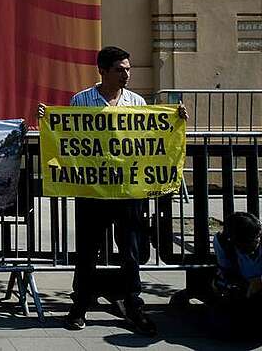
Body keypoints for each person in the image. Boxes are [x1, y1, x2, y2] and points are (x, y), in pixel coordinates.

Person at [39, 46, 187, 336]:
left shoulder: (136, 101)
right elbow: (68, 138)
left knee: (130, 252)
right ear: (103, 71)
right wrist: (47, 118)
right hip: (93, 192)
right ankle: (80, 305)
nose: (126, 74)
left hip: (127, 192)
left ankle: (134, 305)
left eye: (128, 69)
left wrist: (177, 121)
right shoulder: (81, 101)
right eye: (120, 69)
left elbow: (150, 140)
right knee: (87, 252)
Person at [209, 211, 262, 339]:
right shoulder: (223, 243)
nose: (254, 244)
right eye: (247, 243)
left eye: (256, 240)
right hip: (243, 288)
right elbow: (226, 270)